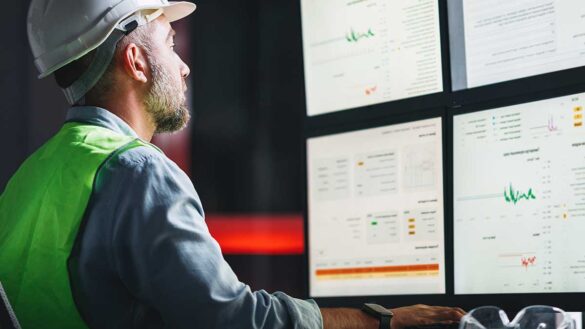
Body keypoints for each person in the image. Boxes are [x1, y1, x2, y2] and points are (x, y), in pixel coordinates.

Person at [0, 0, 466, 328]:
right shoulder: (137, 172)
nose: (183, 67)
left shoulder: (28, 178)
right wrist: (381, 321)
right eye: (170, 42)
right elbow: (233, 320)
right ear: (137, 61)